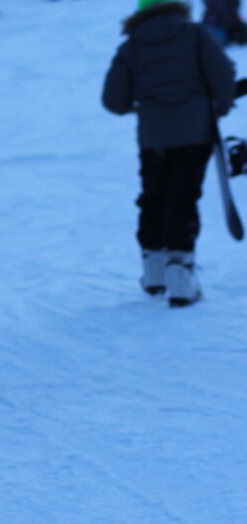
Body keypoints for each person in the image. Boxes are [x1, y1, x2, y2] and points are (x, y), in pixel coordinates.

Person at [102, 0, 234, 306]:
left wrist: (139, 106)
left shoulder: (131, 47)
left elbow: (113, 100)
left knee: (153, 196)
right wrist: (219, 107)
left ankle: (154, 270)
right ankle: (180, 273)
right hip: (195, 132)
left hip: (153, 137)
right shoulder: (196, 35)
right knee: (183, 197)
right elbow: (223, 75)